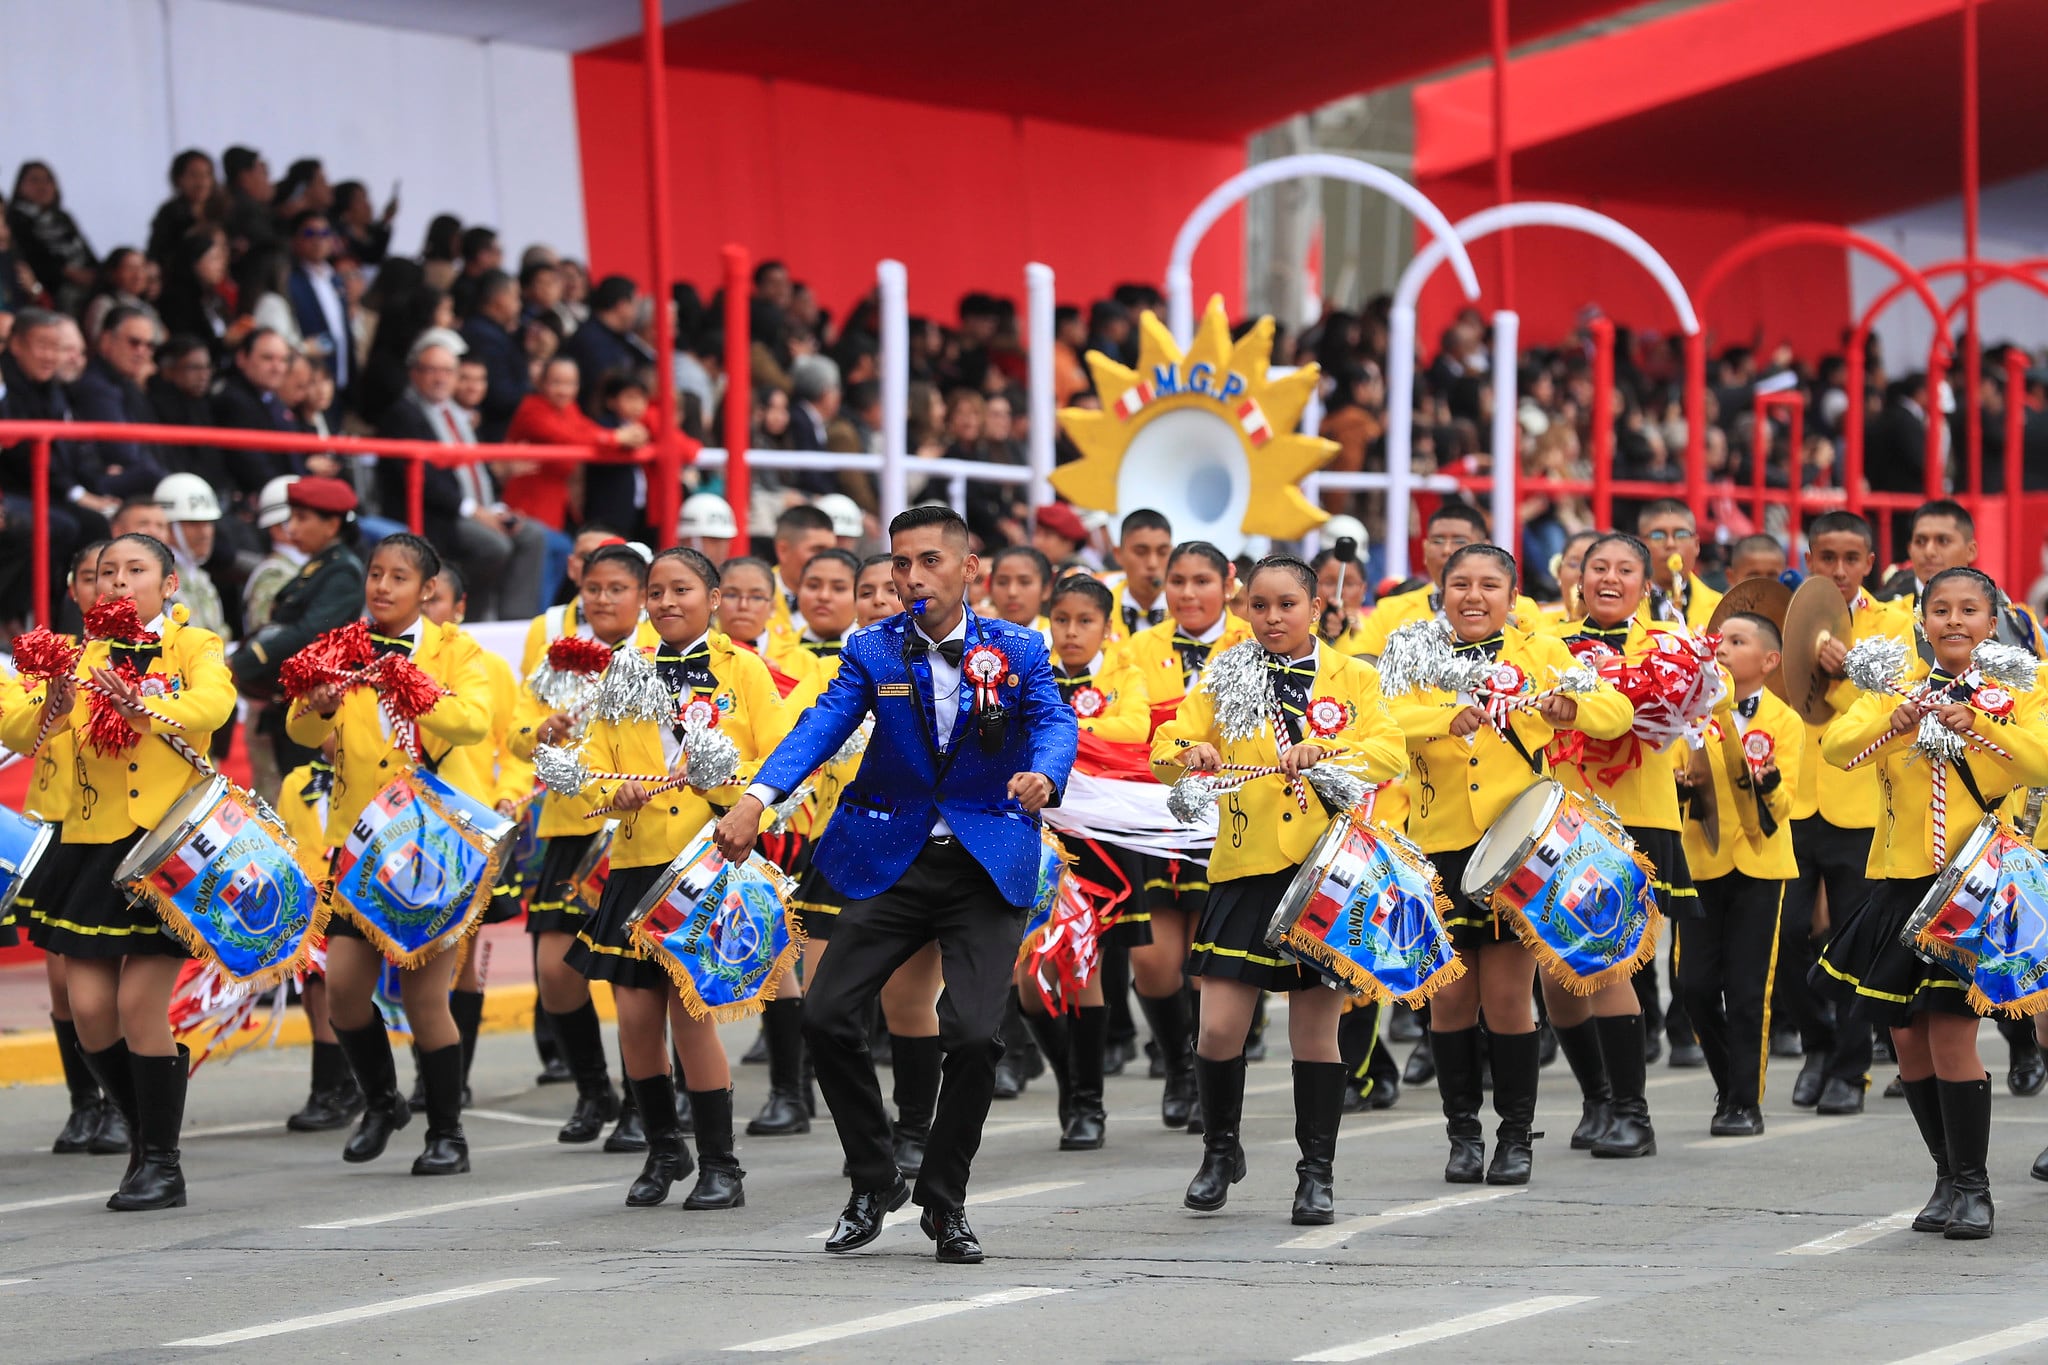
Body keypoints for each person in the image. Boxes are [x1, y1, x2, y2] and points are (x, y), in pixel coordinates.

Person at [715, 505, 1078, 1264]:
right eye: (900, 563)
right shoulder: (871, 648)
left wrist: (1045, 773)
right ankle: (873, 1177)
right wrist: (757, 798)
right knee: (825, 1014)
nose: (910, 577)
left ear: (968, 569)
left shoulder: (1019, 647)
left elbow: (1053, 721)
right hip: (891, 853)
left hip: (986, 857)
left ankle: (945, 1202)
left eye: (927, 561)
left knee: (976, 1036)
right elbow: (818, 725)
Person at [1155, 555, 1407, 1220]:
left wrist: (1328, 750)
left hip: (1323, 874)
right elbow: (1166, 738)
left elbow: (1390, 749)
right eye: (1259, 605)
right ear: (1245, 610)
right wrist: (1191, 752)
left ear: (1316, 608)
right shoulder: (1225, 672)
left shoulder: (1353, 675)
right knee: (1217, 1030)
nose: (1272, 617)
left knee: (1315, 1036)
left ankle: (1315, 1172)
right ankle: (1219, 1150)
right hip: (1243, 868)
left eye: (1287, 604)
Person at [1813, 566, 2048, 1240]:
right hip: (1897, 883)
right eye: (1939, 608)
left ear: (1993, 616)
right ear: (1920, 618)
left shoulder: (2018, 691)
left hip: (1972, 886)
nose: (1953, 621)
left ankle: (1975, 1188)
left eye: (1968, 609)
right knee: (1907, 1041)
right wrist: (1895, 717)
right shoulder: (1890, 683)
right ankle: (1946, 1174)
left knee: (1949, 1036)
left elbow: (2041, 763)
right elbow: (1836, 749)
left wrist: (1978, 723)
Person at [1388, 544, 1632, 1187]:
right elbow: (1382, 724)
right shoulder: (1413, 653)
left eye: (1489, 585)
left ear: (1512, 596)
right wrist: (1448, 716)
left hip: (1514, 853)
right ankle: (1461, 1136)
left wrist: (1568, 707)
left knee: (1506, 1002)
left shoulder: (1542, 651)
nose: (1474, 596)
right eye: (1460, 584)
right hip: (1436, 850)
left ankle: (1515, 1137)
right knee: (1448, 1003)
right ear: (1441, 593)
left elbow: (1616, 713)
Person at [15, 533, 237, 1209]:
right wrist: (53, 698)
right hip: (92, 844)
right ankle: (145, 1136)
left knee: (142, 1007)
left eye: (135, 569)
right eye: (107, 571)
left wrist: (146, 706)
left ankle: (162, 1163)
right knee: (87, 1012)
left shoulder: (191, 645)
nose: (117, 581)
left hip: (166, 852)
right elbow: (22, 731)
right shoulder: (80, 656)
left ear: (168, 585)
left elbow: (214, 705)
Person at [568, 548, 782, 1210]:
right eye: (655, 590)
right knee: (634, 1018)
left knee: (692, 1014)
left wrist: (729, 783)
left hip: (706, 863)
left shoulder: (742, 669)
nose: (665, 601)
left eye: (680, 588)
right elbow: (587, 766)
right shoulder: (623, 672)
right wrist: (613, 792)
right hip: (636, 864)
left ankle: (723, 1162)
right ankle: (665, 1146)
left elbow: (781, 759)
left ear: (713, 598)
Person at [284, 534, 493, 1177]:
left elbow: (473, 723)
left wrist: (413, 685)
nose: (382, 587)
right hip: (358, 845)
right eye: (375, 574)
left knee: (426, 999)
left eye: (398, 577)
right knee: (344, 992)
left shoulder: (456, 651)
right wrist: (316, 708)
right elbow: (298, 729)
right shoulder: (339, 647)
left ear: (427, 589)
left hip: (431, 846)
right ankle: (381, 1101)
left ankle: (447, 1132)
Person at [1540, 533, 1689, 1159]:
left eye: (1625, 569)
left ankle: (1635, 1111)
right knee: (1555, 977)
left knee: (1604, 961)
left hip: (1634, 816)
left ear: (1645, 585)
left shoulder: (1671, 647)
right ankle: (1597, 1097)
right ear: (1576, 578)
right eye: (1596, 567)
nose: (1608, 578)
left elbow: (1712, 700)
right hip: (1557, 818)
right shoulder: (1547, 646)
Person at [512, 545, 657, 1147]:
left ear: (643, 595)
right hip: (569, 828)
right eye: (593, 588)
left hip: (633, 831)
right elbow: (520, 737)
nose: (601, 599)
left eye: (616, 588)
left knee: (632, 979)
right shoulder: (560, 660)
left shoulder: (657, 658)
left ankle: (642, 1104)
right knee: (555, 973)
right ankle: (594, 1090)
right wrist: (541, 732)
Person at [0, 541, 127, 1157]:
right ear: (74, 590)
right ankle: (87, 1103)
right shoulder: (49, 661)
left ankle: (128, 1104)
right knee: (63, 983)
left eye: (119, 576)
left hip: (123, 831)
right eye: (91, 578)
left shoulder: (151, 658)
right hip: (54, 827)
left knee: (124, 982)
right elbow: (20, 728)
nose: (105, 588)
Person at [1120, 543, 1252, 1130]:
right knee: (1153, 961)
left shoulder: (1253, 641)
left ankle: (1207, 1083)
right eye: (1178, 581)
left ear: (1229, 583)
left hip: (1232, 817)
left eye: (1203, 580)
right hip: (1155, 814)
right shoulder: (1136, 649)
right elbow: (1127, 728)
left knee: (1209, 967)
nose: (1189, 593)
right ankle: (1176, 1061)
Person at [1782, 511, 1910, 1115]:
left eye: (1850, 558)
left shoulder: (1894, 625)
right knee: (1786, 941)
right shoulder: (1785, 617)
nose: (1837, 570)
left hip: (1860, 808)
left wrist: (1843, 669)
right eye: (1825, 557)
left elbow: (1892, 704)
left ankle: (1850, 1070)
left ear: (1869, 565)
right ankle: (1818, 1043)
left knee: (1852, 944)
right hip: (1789, 803)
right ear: (1808, 557)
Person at [1021, 573, 1151, 1151]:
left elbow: (1134, 731)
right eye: (1062, 620)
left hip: (1097, 845)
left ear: (1106, 626)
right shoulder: (1026, 671)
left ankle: (1088, 1103)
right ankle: (1068, 1082)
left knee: (1083, 970)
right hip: (1031, 840)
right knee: (1029, 982)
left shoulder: (1124, 676)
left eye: (1086, 621)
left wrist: (1063, 733)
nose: (1072, 632)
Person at [1675, 613, 1802, 1137]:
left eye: (1737, 641)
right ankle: (1732, 1082)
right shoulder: (1691, 715)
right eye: (1718, 640)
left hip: (1759, 863)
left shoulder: (1785, 720)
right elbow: (1678, 783)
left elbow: (1785, 800)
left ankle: (1743, 1102)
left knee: (1749, 991)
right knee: (1694, 986)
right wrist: (1680, 788)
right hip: (1701, 859)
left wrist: (1767, 782)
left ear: (1769, 661)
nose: (1722, 648)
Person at [376, 336, 548, 621]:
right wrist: (473, 511)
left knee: (532, 536)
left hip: (474, 509)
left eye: (448, 371)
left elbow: (475, 468)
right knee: (494, 546)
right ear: (414, 373)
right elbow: (429, 483)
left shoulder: (458, 415)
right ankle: (469, 619)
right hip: (439, 516)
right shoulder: (403, 414)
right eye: (432, 370)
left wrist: (494, 510)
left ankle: (516, 622)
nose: (441, 378)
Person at [232, 477, 366, 785]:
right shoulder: (318, 567)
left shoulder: (342, 571)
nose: (292, 528)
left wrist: (241, 664)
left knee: (304, 794)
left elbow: (309, 632)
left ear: (332, 525)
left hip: (318, 702)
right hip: (292, 701)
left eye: (302, 518)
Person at [1355, 503, 1540, 659]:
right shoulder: (1390, 609)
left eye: (1459, 541)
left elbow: (1542, 666)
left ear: (1486, 547)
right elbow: (1359, 666)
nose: (1447, 550)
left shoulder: (1521, 610)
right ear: (1425, 548)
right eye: (1438, 541)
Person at [501, 356, 649, 529]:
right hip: (529, 499)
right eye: (556, 383)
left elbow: (585, 429)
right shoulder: (531, 408)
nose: (564, 391)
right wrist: (615, 437)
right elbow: (567, 437)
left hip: (557, 499)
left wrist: (621, 435)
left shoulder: (569, 408)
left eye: (571, 384)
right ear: (541, 383)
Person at [68, 306, 169, 499]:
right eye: (134, 342)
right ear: (106, 340)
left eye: (149, 346)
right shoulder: (96, 387)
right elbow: (123, 452)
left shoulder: (129, 385)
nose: (142, 352)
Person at [154, 474, 232, 643]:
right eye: (193, 523)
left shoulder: (202, 579)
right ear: (167, 526)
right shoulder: (157, 580)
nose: (204, 532)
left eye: (208, 523)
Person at [285, 210, 352, 399]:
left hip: (339, 382)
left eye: (324, 234)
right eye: (309, 234)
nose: (318, 240)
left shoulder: (336, 280)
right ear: (295, 240)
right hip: (309, 384)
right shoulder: (290, 281)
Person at [1637, 498, 1723, 632]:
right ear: (1639, 546)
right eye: (1658, 536)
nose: (1670, 544)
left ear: (1696, 544)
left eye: (1681, 535)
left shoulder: (1721, 606)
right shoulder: (1621, 606)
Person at [1100, 508, 1174, 644]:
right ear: (1118, 554)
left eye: (1162, 552)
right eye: (1141, 552)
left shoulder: (1185, 611)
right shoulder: (1098, 609)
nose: (1152, 563)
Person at [768, 504, 837, 639]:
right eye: (817, 550)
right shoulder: (750, 594)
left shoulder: (849, 597)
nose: (827, 558)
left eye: (831, 551)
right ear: (783, 550)